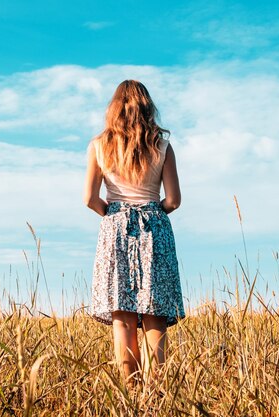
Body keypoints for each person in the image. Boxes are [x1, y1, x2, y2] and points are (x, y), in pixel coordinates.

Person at [83, 80, 185, 384]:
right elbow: (174, 200)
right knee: (155, 315)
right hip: (155, 225)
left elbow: (89, 198)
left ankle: (131, 397)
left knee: (123, 317)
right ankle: (158, 396)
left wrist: (113, 214)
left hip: (115, 228)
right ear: (147, 107)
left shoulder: (99, 145)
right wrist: (152, 213)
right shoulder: (162, 145)